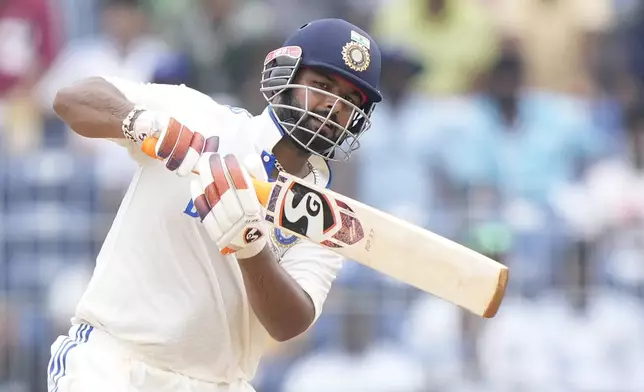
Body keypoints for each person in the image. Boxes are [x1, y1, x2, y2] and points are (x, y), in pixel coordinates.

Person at [47, 18, 382, 392]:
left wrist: (250, 245)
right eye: (321, 86)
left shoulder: (324, 215)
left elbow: (289, 324)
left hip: (216, 383)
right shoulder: (200, 117)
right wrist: (141, 125)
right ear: (286, 75)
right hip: (113, 365)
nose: (333, 107)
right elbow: (71, 98)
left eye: (351, 102)